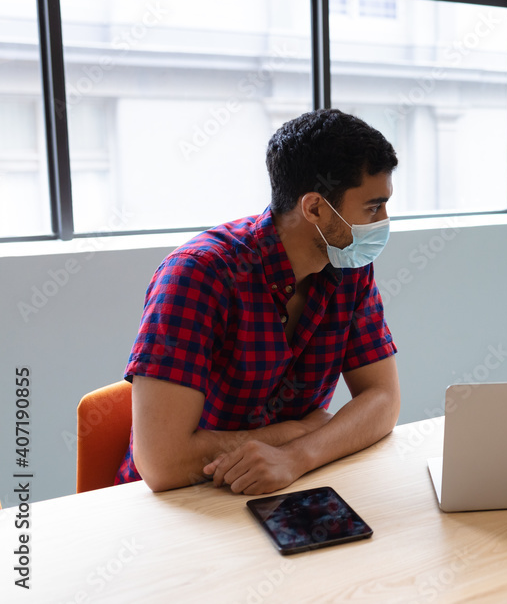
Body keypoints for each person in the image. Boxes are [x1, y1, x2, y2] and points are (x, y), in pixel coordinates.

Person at [116, 109, 401, 495]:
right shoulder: (198, 275)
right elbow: (163, 463)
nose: (384, 220)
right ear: (315, 207)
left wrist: (298, 455)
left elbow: (383, 399)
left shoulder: (348, 265)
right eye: (373, 207)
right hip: (177, 504)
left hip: (284, 488)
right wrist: (300, 431)